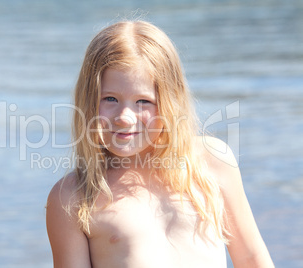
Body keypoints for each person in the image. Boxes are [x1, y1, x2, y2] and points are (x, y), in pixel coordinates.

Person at [46, 20, 274, 268]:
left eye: (143, 101)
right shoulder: (73, 197)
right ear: (88, 100)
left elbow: (252, 258)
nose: (124, 116)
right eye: (110, 98)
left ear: (170, 101)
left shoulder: (212, 161)